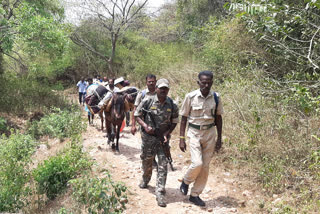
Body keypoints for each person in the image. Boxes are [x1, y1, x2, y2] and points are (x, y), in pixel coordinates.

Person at [179, 70, 223, 207]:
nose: (206, 85)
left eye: (209, 83)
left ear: (212, 83)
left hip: (210, 133)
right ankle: (186, 181)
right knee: (197, 163)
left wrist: (219, 138)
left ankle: (195, 194)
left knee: (205, 166)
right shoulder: (190, 97)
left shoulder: (216, 97)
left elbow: (219, 118)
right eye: (203, 82)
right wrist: (181, 138)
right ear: (198, 82)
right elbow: (184, 117)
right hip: (194, 132)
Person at [134, 78, 179, 207]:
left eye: (166, 88)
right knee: (147, 161)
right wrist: (145, 126)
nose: (163, 90)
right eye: (161, 88)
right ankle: (145, 179)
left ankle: (160, 192)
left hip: (162, 140)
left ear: (168, 90)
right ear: (157, 89)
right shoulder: (147, 100)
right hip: (149, 138)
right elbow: (137, 114)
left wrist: (167, 133)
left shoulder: (172, 104)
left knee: (163, 165)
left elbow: (175, 121)